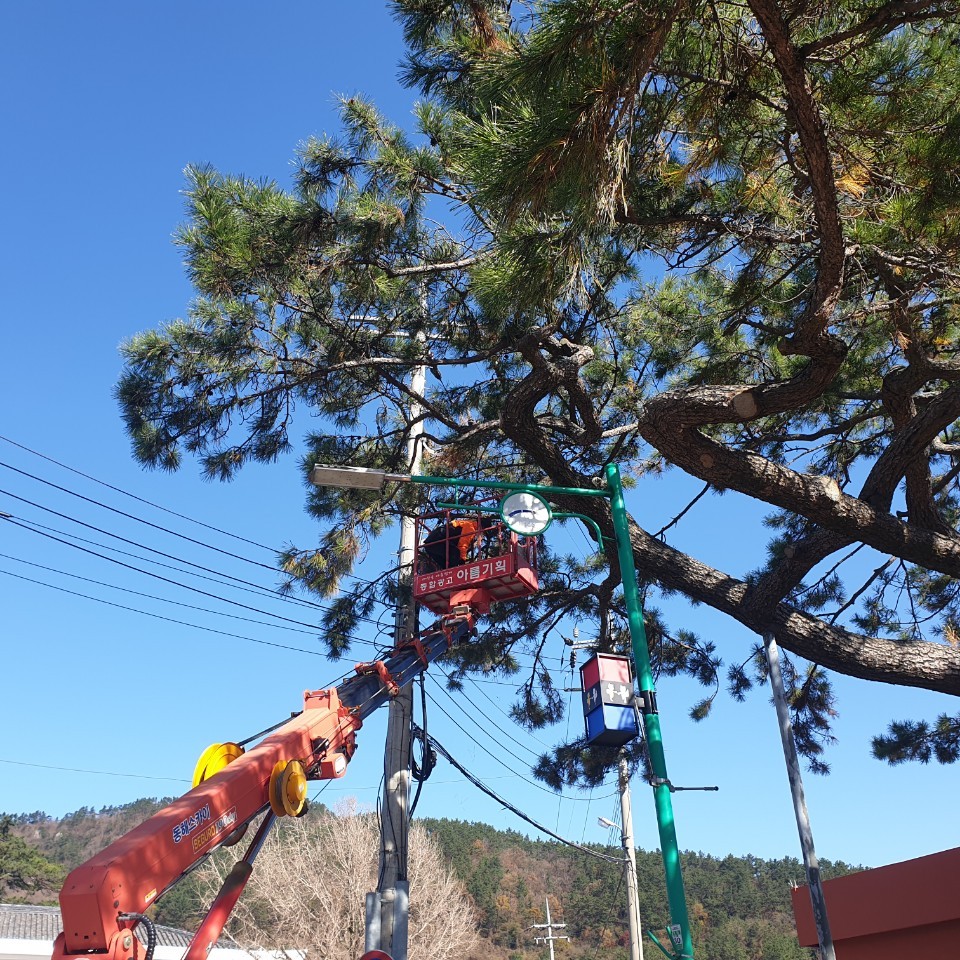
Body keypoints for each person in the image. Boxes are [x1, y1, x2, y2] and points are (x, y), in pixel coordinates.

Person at [420, 514, 498, 570]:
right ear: (482, 527)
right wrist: (462, 561)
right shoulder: (470, 528)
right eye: (483, 532)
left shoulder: (466, 524)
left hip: (431, 543)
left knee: (446, 563)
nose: (482, 534)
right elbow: (463, 545)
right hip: (436, 541)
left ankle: (448, 573)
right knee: (455, 554)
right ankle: (452, 574)